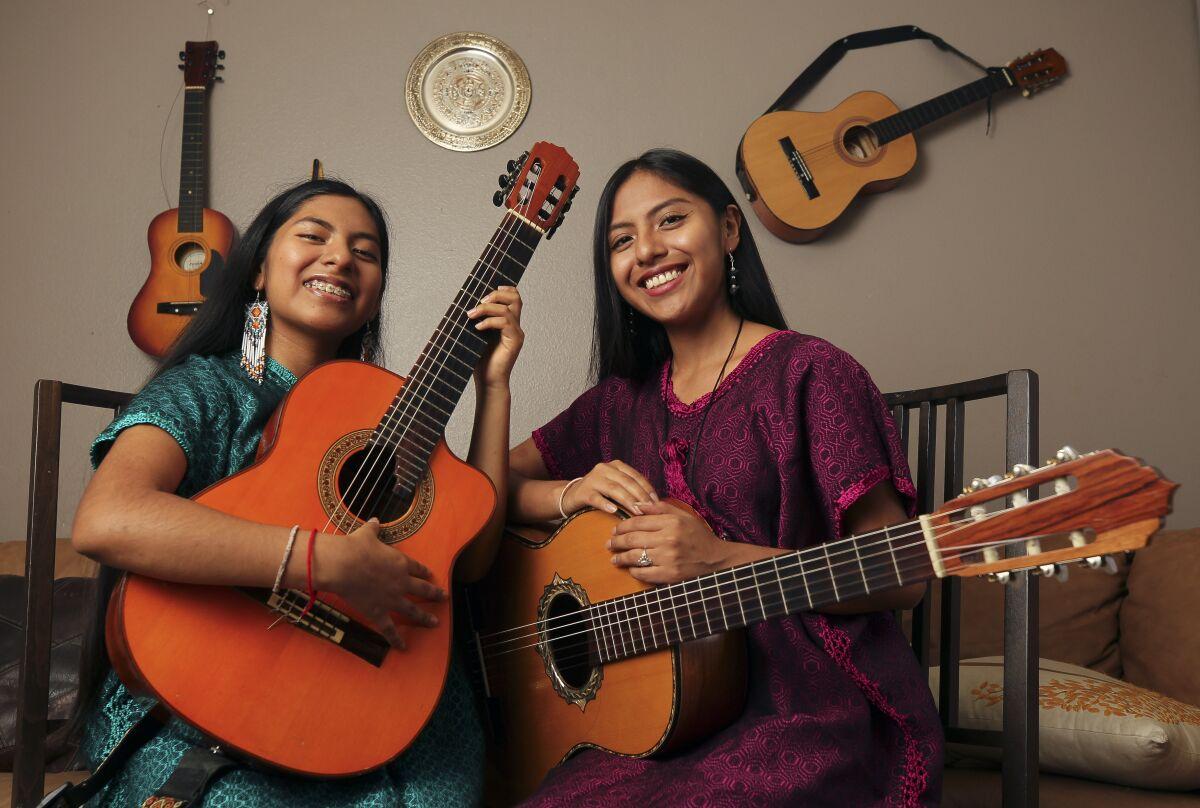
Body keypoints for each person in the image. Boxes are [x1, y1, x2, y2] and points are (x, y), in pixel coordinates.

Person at [507, 149, 943, 806]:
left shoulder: (813, 374)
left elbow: (903, 576)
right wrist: (566, 493)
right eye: (622, 241)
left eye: (671, 221)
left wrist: (717, 559)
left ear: (731, 230)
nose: (647, 251)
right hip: (664, 723)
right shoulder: (618, 402)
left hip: (806, 708)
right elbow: (479, 489)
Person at [70, 177, 524, 806]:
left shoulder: (395, 422)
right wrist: (324, 561)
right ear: (258, 270)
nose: (340, 257)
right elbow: (107, 520)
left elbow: (471, 559)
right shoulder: (203, 390)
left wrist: (494, 388)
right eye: (314, 236)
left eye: (366, 253)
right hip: (209, 711)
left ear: (374, 296)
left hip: (388, 715)